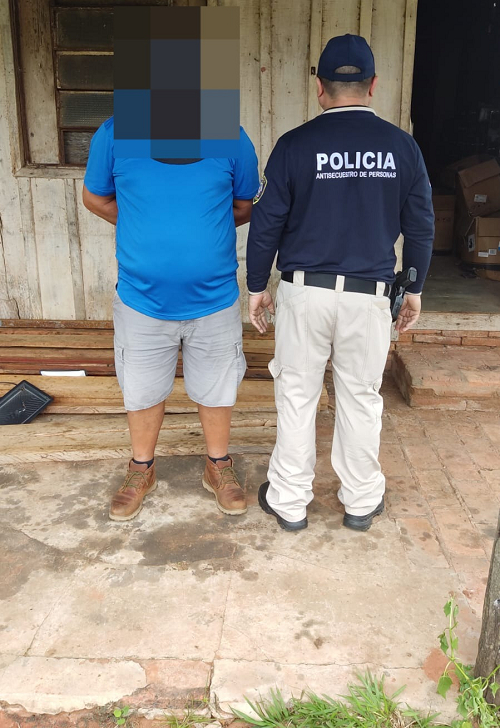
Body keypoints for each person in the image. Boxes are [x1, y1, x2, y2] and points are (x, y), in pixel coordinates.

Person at [246, 34, 434, 533]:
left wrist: (256, 286)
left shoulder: (294, 145)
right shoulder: (403, 148)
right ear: (372, 85)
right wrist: (412, 287)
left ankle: (288, 502)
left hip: (305, 294)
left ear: (319, 88)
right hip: (368, 297)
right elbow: (420, 226)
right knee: (361, 397)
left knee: (297, 396)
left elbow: (267, 224)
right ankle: (360, 501)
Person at [83, 118, 259, 521]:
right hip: (141, 298)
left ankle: (218, 466)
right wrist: (138, 224)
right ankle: (141, 470)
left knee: (217, 385)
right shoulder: (115, 133)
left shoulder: (230, 134)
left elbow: (243, 204)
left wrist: (201, 228)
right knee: (142, 388)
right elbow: (95, 197)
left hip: (213, 297)